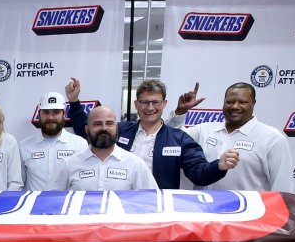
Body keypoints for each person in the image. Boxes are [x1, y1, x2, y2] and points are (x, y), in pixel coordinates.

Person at [65, 79, 237, 189]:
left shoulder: (179, 139)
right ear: (136, 104)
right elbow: (88, 129)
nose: (150, 108)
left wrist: (218, 166)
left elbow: (198, 173)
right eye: (144, 102)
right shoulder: (120, 130)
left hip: (158, 209)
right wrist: (74, 102)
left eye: (155, 102)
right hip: (122, 207)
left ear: (164, 104)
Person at [169, 82, 294, 192]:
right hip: (203, 212)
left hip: (246, 215)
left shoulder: (272, 138)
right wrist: (180, 112)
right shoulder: (204, 129)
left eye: (242, 102)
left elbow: (282, 189)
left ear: (253, 103)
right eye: (230, 102)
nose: (235, 106)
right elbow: (171, 137)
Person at [55, 105, 158, 191]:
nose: (104, 128)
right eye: (97, 124)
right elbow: (50, 201)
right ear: (87, 129)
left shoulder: (135, 164)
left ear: (116, 127)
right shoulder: (69, 164)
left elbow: (151, 201)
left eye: (109, 123)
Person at [18, 91, 88, 190]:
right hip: (35, 205)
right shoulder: (24, 146)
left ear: (64, 113)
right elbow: (18, 185)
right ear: (39, 114)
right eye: (46, 112)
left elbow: (84, 182)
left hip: (67, 204)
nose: (50, 117)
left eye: (56, 112)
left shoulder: (80, 144)